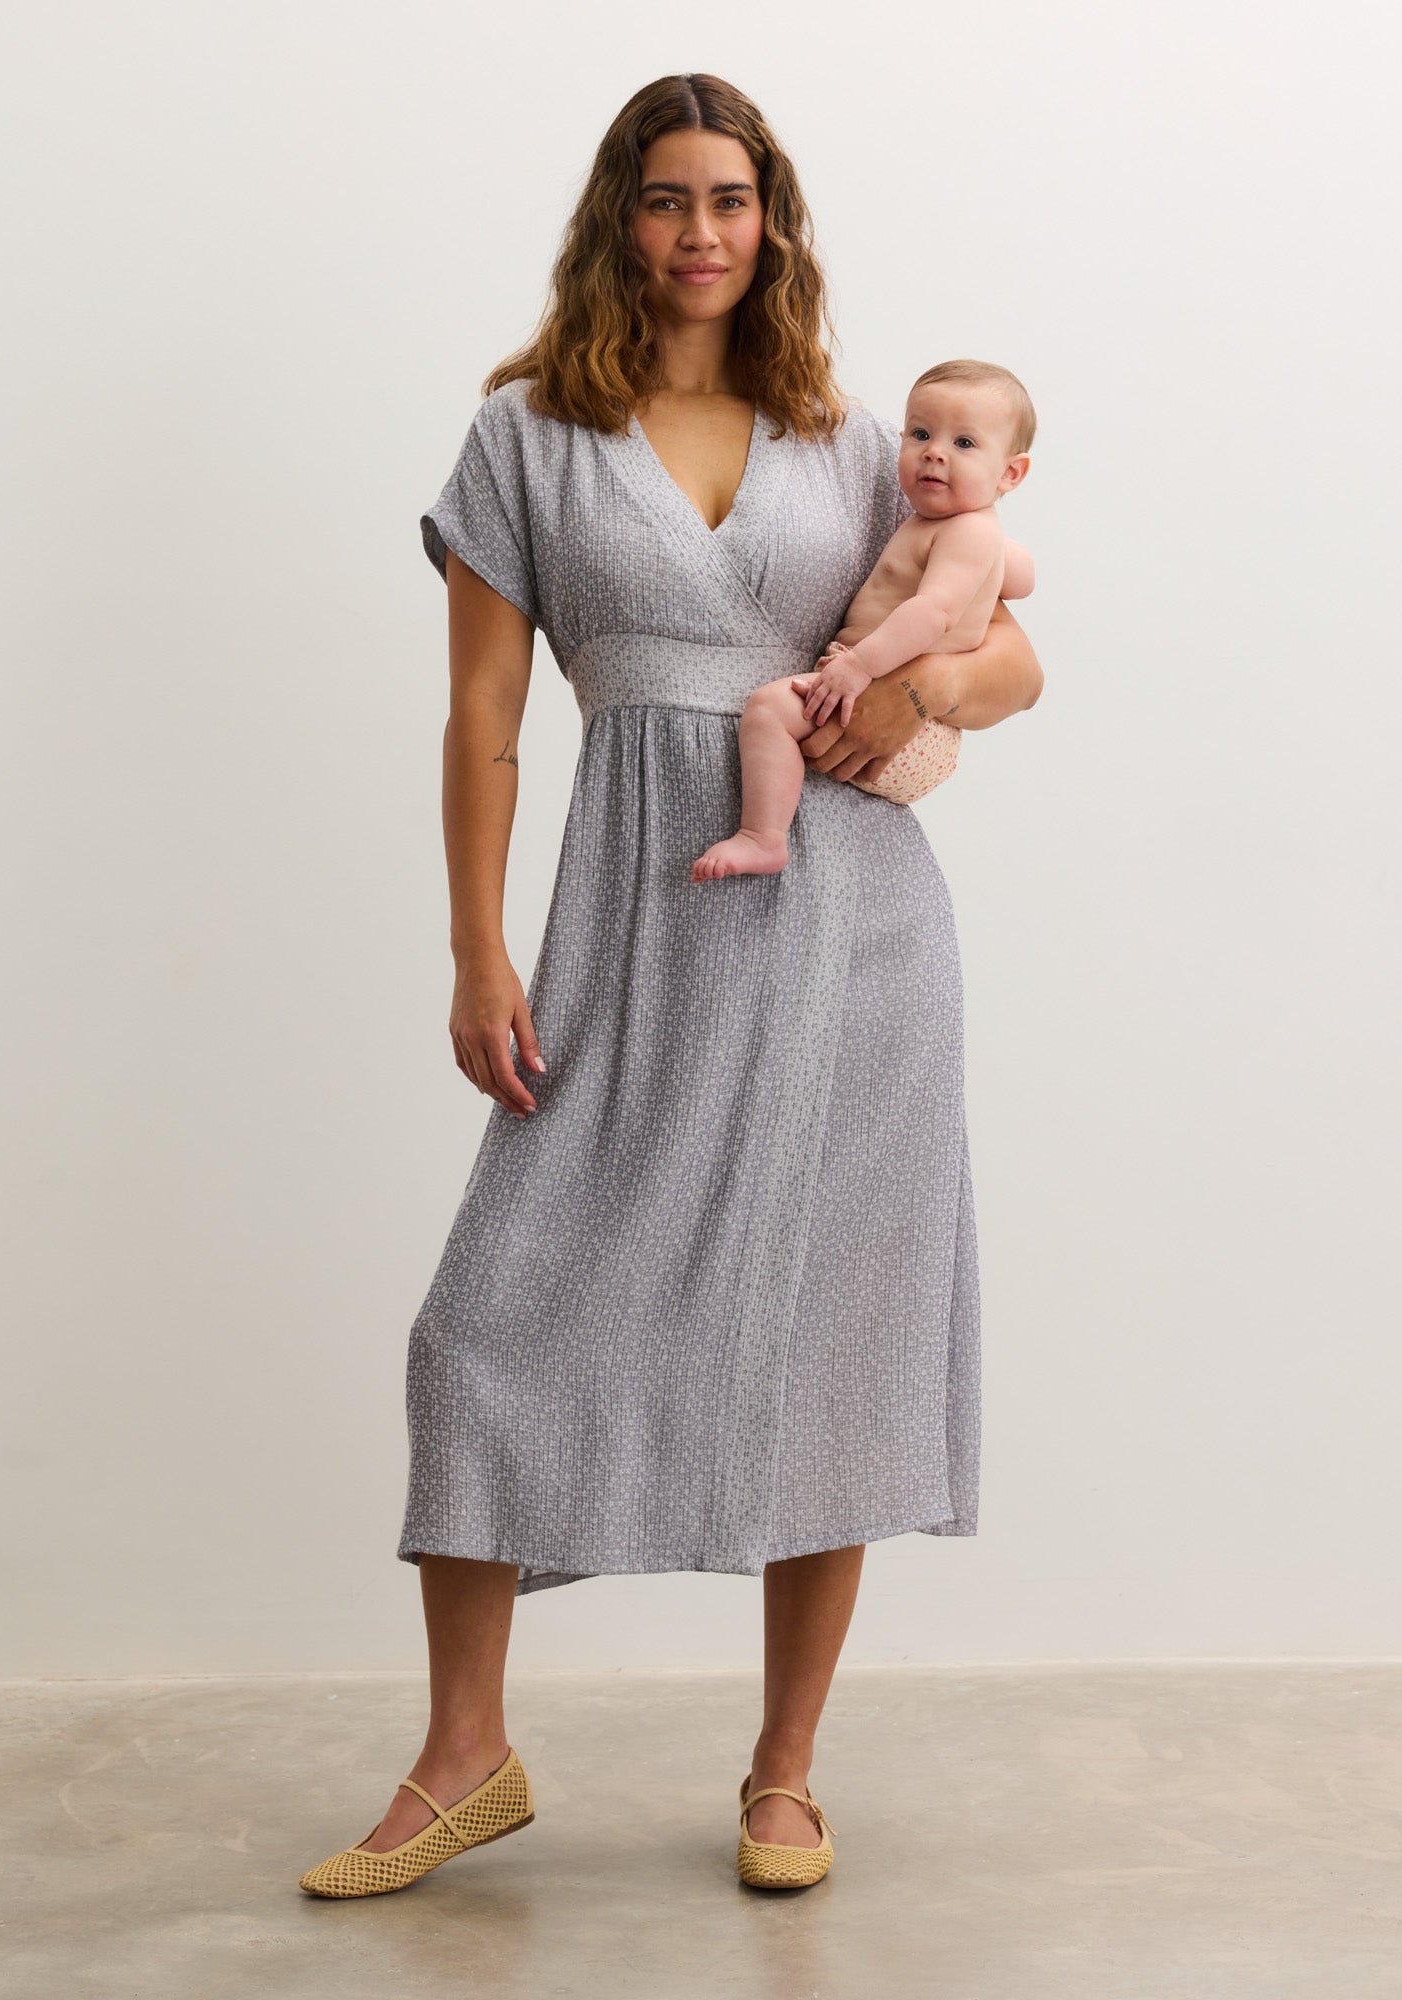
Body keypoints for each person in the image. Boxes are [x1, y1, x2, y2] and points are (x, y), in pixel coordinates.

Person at [300, 71, 1043, 1901]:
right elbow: (482, 716)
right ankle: (465, 1759)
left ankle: (785, 1773)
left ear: (770, 221)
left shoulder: (852, 435)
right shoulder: (529, 440)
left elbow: (1012, 644)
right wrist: (476, 947)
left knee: (826, 1332)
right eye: (664, 199)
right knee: (485, 1326)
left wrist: (922, 692)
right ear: (617, 220)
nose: (700, 231)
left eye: (731, 199)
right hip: (626, 920)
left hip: (849, 931)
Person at [692, 359, 1036, 879]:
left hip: (894, 709)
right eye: (920, 433)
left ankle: (762, 837)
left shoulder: (965, 533)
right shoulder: (974, 533)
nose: (934, 452)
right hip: (917, 725)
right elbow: (1022, 580)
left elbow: (935, 612)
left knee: (767, 712)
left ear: (1011, 472)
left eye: (964, 444)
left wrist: (858, 667)